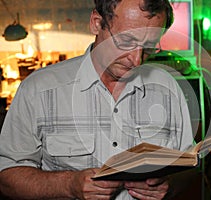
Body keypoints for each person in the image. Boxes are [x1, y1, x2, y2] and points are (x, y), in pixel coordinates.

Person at [0, 0, 198, 199]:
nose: (136, 60)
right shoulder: (38, 90)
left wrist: (169, 185)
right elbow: (7, 178)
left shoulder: (168, 88)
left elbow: (190, 167)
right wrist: (69, 185)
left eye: (148, 47)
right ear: (96, 22)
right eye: (126, 41)